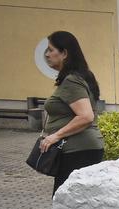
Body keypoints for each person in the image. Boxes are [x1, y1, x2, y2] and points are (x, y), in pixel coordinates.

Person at [40, 31, 104, 196]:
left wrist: (55, 136)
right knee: (73, 203)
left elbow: (86, 116)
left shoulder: (72, 81)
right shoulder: (77, 77)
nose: (47, 55)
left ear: (65, 53)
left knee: (65, 202)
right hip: (79, 149)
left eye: (50, 49)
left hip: (78, 150)